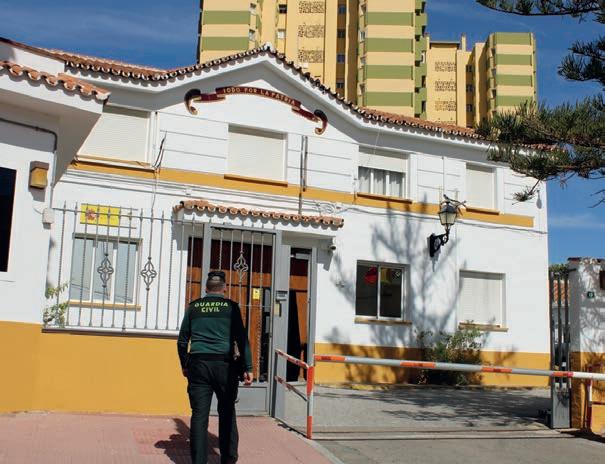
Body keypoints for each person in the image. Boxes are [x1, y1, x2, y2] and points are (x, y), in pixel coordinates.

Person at [177, 270, 253, 464]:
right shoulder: (231, 308)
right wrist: (248, 367)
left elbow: (182, 341)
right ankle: (228, 458)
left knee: (199, 415)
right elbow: (242, 339)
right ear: (224, 288)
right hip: (224, 366)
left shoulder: (194, 307)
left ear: (206, 288)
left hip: (198, 366)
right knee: (227, 412)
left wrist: (185, 365)